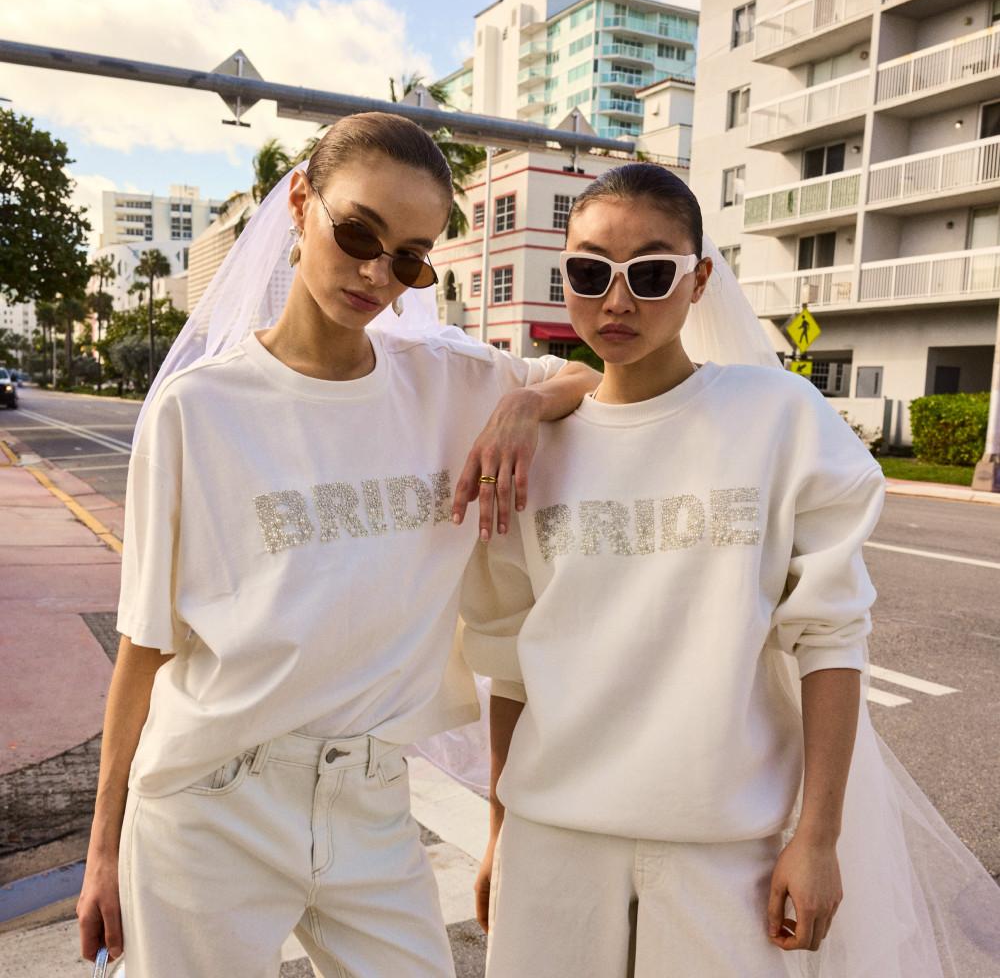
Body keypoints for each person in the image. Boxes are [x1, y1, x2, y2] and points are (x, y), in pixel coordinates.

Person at [75, 112, 599, 978]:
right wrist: (103, 851)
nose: (374, 272)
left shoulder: (452, 384)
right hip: (210, 805)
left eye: (408, 257)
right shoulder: (198, 410)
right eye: (357, 232)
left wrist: (525, 404)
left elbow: (600, 379)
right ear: (299, 201)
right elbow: (145, 647)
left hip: (370, 801)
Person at [460, 163, 1000, 978]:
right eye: (588, 271)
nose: (616, 300)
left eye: (649, 273)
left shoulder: (776, 419)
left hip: (724, 855)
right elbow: (508, 665)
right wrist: (501, 832)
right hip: (552, 843)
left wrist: (817, 839)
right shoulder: (533, 447)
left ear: (699, 278)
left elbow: (829, 640)